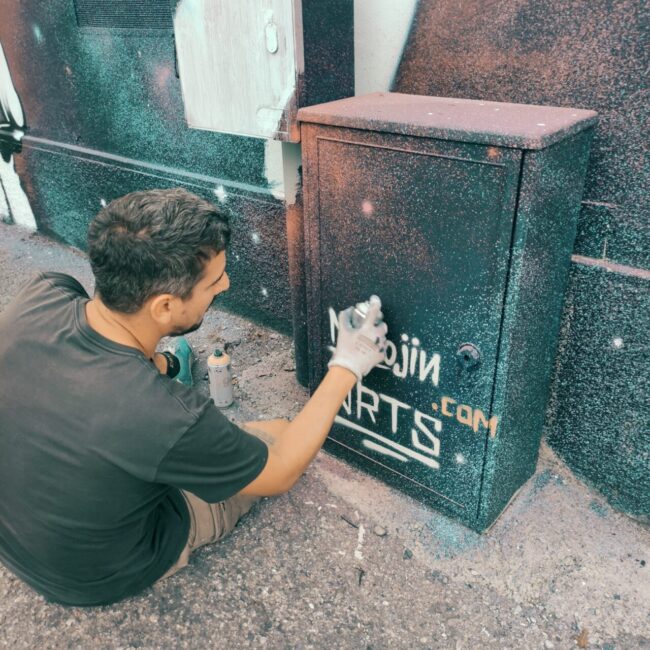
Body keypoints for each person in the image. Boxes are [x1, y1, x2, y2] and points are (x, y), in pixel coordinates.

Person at [0, 188, 388, 606]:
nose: (226, 283)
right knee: (279, 434)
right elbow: (280, 471)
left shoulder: (43, 293)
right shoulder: (164, 414)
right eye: (213, 281)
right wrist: (348, 363)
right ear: (165, 307)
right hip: (97, 575)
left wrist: (157, 368)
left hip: (19, 543)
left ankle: (167, 367)